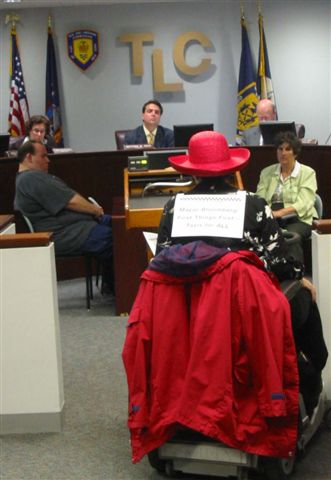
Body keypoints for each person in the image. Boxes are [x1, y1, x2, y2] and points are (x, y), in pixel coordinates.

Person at [156, 130, 327, 410]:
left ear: (192, 172)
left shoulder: (174, 207)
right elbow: (280, 260)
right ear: (229, 169)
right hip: (243, 311)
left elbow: (162, 256)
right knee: (302, 296)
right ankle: (310, 376)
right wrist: (299, 276)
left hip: (189, 310)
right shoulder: (252, 204)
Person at [14, 140, 113, 289]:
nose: (48, 160)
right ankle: (120, 290)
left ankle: (113, 285)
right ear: (29, 157)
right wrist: (95, 210)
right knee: (117, 238)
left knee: (121, 225)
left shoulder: (30, 178)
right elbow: (70, 201)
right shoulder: (31, 178)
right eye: (43, 156)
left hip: (77, 227)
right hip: (67, 233)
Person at [256, 131, 317, 263]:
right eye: (280, 149)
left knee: (289, 236)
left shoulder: (307, 173)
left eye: (288, 149)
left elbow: (304, 203)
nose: (283, 153)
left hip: (300, 219)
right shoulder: (266, 172)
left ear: (295, 152)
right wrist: (270, 214)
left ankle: (296, 277)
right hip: (271, 218)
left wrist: (278, 213)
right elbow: (259, 199)